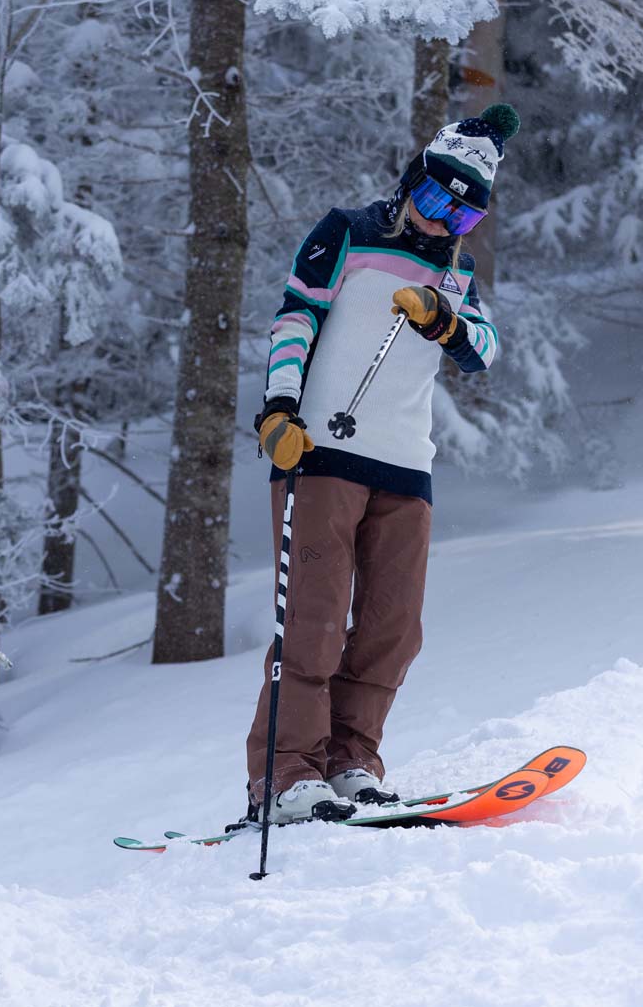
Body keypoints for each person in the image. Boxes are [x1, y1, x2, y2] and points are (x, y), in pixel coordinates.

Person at [246, 104, 519, 824]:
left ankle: (351, 762)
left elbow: (485, 352)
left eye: (459, 219)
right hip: (320, 454)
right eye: (433, 202)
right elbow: (294, 317)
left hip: (405, 466)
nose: (438, 225)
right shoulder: (349, 232)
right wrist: (277, 410)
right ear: (412, 182)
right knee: (314, 618)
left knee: (392, 626)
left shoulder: (455, 279)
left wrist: (445, 321)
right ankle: (285, 777)